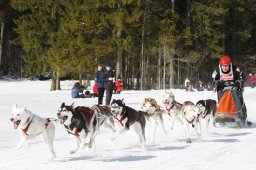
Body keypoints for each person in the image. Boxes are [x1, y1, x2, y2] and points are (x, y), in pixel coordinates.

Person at [212, 55, 250, 125]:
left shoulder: (235, 68)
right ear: (221, 65)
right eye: (223, 66)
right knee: (221, 94)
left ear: (230, 65)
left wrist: (239, 81)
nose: (225, 67)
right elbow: (214, 79)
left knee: (235, 93)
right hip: (223, 88)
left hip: (234, 87)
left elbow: (242, 76)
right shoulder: (217, 70)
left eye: (227, 66)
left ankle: (240, 113)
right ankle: (222, 112)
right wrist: (217, 83)